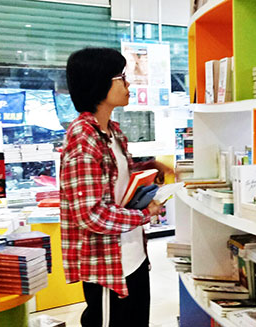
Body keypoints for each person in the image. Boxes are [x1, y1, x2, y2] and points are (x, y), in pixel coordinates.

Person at [60, 47, 172, 327]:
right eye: (121, 77)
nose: (128, 84)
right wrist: (147, 214)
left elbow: (115, 176)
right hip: (109, 264)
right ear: (99, 83)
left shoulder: (111, 131)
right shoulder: (83, 140)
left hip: (132, 255)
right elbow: (91, 215)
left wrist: (151, 165)